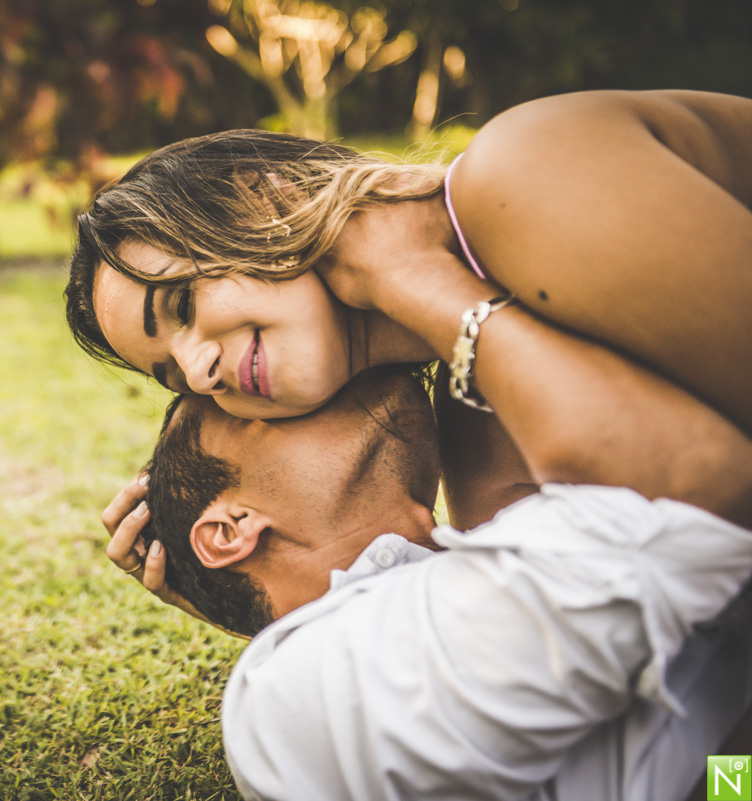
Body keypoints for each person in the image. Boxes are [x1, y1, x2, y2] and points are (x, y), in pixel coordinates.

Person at [97, 261, 752, 798]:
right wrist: (418, 277)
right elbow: (703, 496)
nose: (272, 387)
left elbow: (719, 743)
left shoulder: (431, 600)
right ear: (231, 528)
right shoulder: (282, 694)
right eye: (244, 410)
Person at [65, 89, 752, 440]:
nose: (197, 372)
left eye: (181, 305)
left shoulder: (521, 176)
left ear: (258, 201)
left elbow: (701, 483)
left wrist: (408, 280)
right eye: (170, 378)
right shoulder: (471, 377)